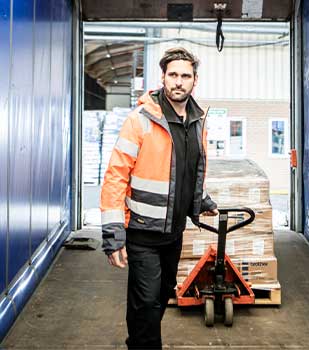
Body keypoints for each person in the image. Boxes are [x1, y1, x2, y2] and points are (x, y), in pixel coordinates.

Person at [100, 47, 218, 349]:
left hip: (173, 233)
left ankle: (138, 341)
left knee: (160, 297)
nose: (179, 81)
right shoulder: (141, 120)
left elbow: (187, 170)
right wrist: (114, 233)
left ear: (195, 80)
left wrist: (200, 200)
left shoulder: (197, 120)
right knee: (147, 304)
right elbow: (115, 175)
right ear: (163, 77)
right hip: (142, 233)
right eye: (173, 75)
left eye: (185, 76)